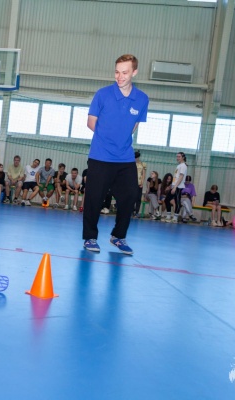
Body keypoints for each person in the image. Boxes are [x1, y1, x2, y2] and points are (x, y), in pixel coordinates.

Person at [82, 54, 149, 254]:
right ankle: (90, 237)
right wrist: (109, 140)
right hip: (100, 156)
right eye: (117, 72)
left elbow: (134, 126)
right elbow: (91, 122)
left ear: (134, 72)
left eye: (125, 73)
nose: (120, 77)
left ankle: (118, 236)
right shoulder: (102, 94)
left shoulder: (142, 99)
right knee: (94, 199)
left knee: (129, 197)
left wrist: (121, 141)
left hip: (125, 158)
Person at [164, 152, 187, 223]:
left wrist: (175, 187)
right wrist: (172, 186)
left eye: (179, 157)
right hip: (174, 186)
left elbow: (181, 177)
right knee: (167, 200)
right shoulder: (179, 165)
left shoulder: (183, 166)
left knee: (177, 202)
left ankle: (175, 218)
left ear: (183, 157)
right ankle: (168, 216)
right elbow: (176, 177)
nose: (177, 158)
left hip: (178, 187)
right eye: (177, 156)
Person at [132, 150, 146, 218]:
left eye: (136, 158)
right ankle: (131, 211)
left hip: (139, 183)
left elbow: (143, 175)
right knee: (131, 197)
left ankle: (137, 212)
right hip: (132, 183)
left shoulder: (143, 164)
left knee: (138, 198)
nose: (135, 159)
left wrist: (142, 183)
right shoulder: (131, 163)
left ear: (138, 157)